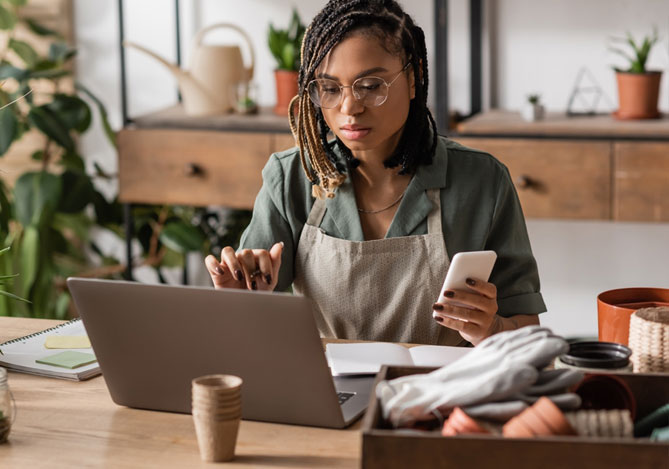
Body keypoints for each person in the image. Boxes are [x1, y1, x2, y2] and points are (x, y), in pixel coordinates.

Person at [205, 0, 546, 346]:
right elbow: (246, 338)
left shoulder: (483, 181)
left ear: (414, 79)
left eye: (370, 86)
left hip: (445, 393)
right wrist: (242, 298)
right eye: (330, 88)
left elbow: (528, 333)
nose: (349, 107)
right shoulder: (292, 177)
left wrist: (492, 330)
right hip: (328, 393)